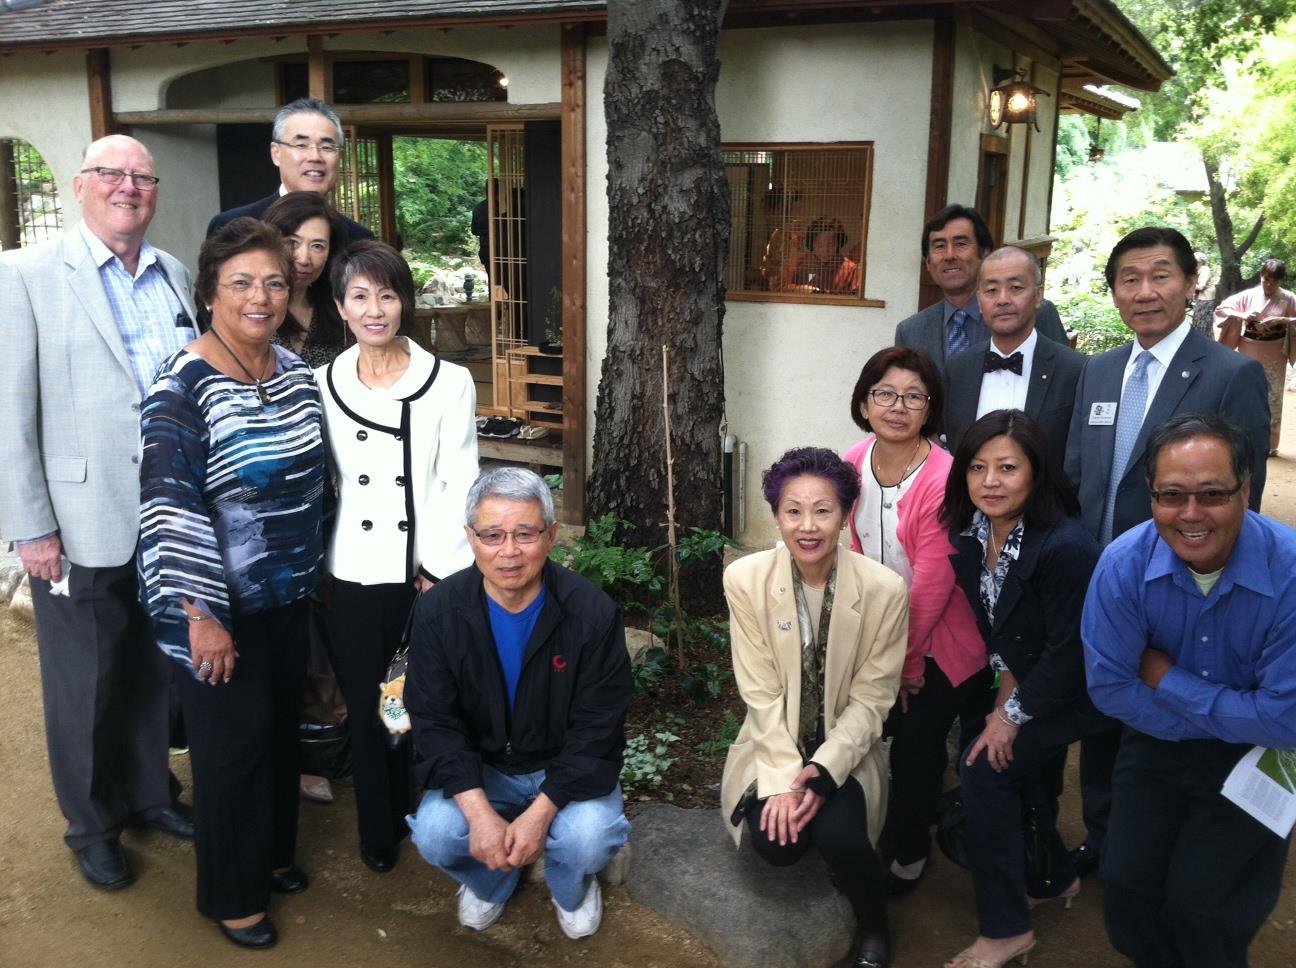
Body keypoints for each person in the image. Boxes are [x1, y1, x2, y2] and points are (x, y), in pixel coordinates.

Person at [0, 134, 197, 891]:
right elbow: (10, 411)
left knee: (154, 667)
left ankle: (150, 793)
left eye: (142, 176)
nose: (128, 186)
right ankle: (92, 822)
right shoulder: (26, 275)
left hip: (166, 515)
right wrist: (32, 527)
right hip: (78, 519)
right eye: (111, 172)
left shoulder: (174, 273)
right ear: (81, 186)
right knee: (85, 679)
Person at [138, 217, 326, 949]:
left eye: (274, 283)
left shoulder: (294, 371)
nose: (261, 296)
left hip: (288, 596)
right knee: (232, 751)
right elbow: (169, 506)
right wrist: (199, 614)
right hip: (218, 608)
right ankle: (232, 895)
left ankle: (272, 855)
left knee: (279, 734)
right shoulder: (181, 385)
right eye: (242, 282)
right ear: (210, 292)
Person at [1063, 226, 1270, 875]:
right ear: (1114, 292)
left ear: (1189, 283)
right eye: (1129, 279)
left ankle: (1164, 849)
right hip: (1102, 584)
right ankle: (1105, 836)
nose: (1145, 291)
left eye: (1160, 275)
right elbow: (1078, 474)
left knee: (1166, 715)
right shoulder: (1098, 370)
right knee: (1103, 711)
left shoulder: (1231, 374)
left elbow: (1244, 499)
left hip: (1181, 588)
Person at [1083, 413, 1296, 968]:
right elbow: (1110, 688)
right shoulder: (1123, 565)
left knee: (1207, 909)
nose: (1191, 514)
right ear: (1151, 495)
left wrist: (1165, 679)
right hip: (1157, 740)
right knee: (1125, 886)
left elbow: (1286, 722)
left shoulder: (1291, 572)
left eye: (1213, 494)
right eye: (1172, 495)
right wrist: (1235, 711)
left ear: (1245, 491)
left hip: (1260, 756)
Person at [406, 468, 631, 940]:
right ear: (471, 537)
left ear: (551, 536)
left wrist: (541, 813)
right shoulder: (437, 612)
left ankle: (570, 887)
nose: (508, 551)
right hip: (485, 768)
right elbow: (434, 720)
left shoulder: (592, 612)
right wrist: (479, 813)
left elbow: (599, 727)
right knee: (436, 834)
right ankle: (492, 881)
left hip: (562, 766)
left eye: (525, 534)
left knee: (588, 838)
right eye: (492, 535)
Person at [316, 240, 479, 873]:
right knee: (367, 701)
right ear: (341, 307)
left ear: (404, 303)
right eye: (359, 297)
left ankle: (432, 806)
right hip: (352, 567)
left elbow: (458, 480)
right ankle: (377, 826)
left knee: (411, 697)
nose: (374, 310)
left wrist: (437, 568)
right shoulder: (323, 382)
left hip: (420, 573)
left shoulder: (449, 381)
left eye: (386, 295)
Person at [720, 446, 906, 968]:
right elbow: (760, 693)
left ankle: (874, 926)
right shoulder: (745, 579)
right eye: (793, 510)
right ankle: (798, 805)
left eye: (823, 510)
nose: (807, 526)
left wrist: (824, 772)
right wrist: (784, 780)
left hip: (846, 742)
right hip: (773, 737)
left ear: (845, 515)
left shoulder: (884, 589)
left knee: (839, 834)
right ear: (776, 515)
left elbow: (873, 697)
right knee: (777, 844)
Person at [942, 410, 1110, 968]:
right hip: (1033, 681)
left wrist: (1011, 715)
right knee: (1007, 761)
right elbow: (1007, 630)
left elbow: (1072, 650)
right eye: (977, 467)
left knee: (981, 768)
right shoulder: (974, 536)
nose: (990, 481)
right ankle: (1056, 877)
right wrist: (1005, 699)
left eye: (1008, 468)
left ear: (1037, 473)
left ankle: (1007, 929)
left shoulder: (1065, 546)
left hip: (1088, 690)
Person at [842, 347, 990, 899]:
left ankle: (910, 850)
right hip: (882, 629)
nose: (898, 407)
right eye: (885, 394)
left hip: (942, 637)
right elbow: (855, 552)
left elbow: (932, 581)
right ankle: (873, 819)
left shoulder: (944, 477)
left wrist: (905, 665)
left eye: (913, 397)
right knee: (851, 719)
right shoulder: (853, 462)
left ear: (930, 409)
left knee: (914, 738)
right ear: (864, 403)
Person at [943, 246, 1085, 462]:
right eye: (992, 290)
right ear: (979, 301)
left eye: (1015, 288)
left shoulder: (1075, 369)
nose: (1003, 300)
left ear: (1038, 295)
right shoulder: (958, 369)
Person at [894, 205, 1067, 373]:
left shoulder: (1035, 313)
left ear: (985, 253)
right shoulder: (910, 331)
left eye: (961, 244)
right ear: (928, 263)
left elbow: (1061, 379)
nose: (949, 255)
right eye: (939, 246)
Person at [206, 97, 373, 243]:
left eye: (327, 147)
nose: (315, 157)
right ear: (276, 153)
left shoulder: (357, 238)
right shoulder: (232, 227)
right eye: (301, 145)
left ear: (340, 157)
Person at [1214, 258, 1296, 455]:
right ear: (1261, 276)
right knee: (1247, 391)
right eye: (1266, 280)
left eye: (1274, 281)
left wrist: (1284, 319)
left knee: (1273, 395)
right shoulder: (1248, 296)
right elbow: (1221, 310)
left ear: (1281, 281)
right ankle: (1243, 437)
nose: (1268, 285)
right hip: (1249, 348)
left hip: (1275, 351)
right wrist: (1242, 315)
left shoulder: (1289, 298)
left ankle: (1270, 444)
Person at [262, 191, 349, 367]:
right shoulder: (250, 310)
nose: (304, 259)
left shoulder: (342, 312)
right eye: (292, 243)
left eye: (317, 246)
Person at [783, 217, 860, 294]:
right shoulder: (799, 262)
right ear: (812, 244)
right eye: (820, 245)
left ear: (838, 244)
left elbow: (856, 294)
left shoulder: (850, 268)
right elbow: (780, 287)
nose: (824, 251)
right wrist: (799, 289)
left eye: (830, 245)